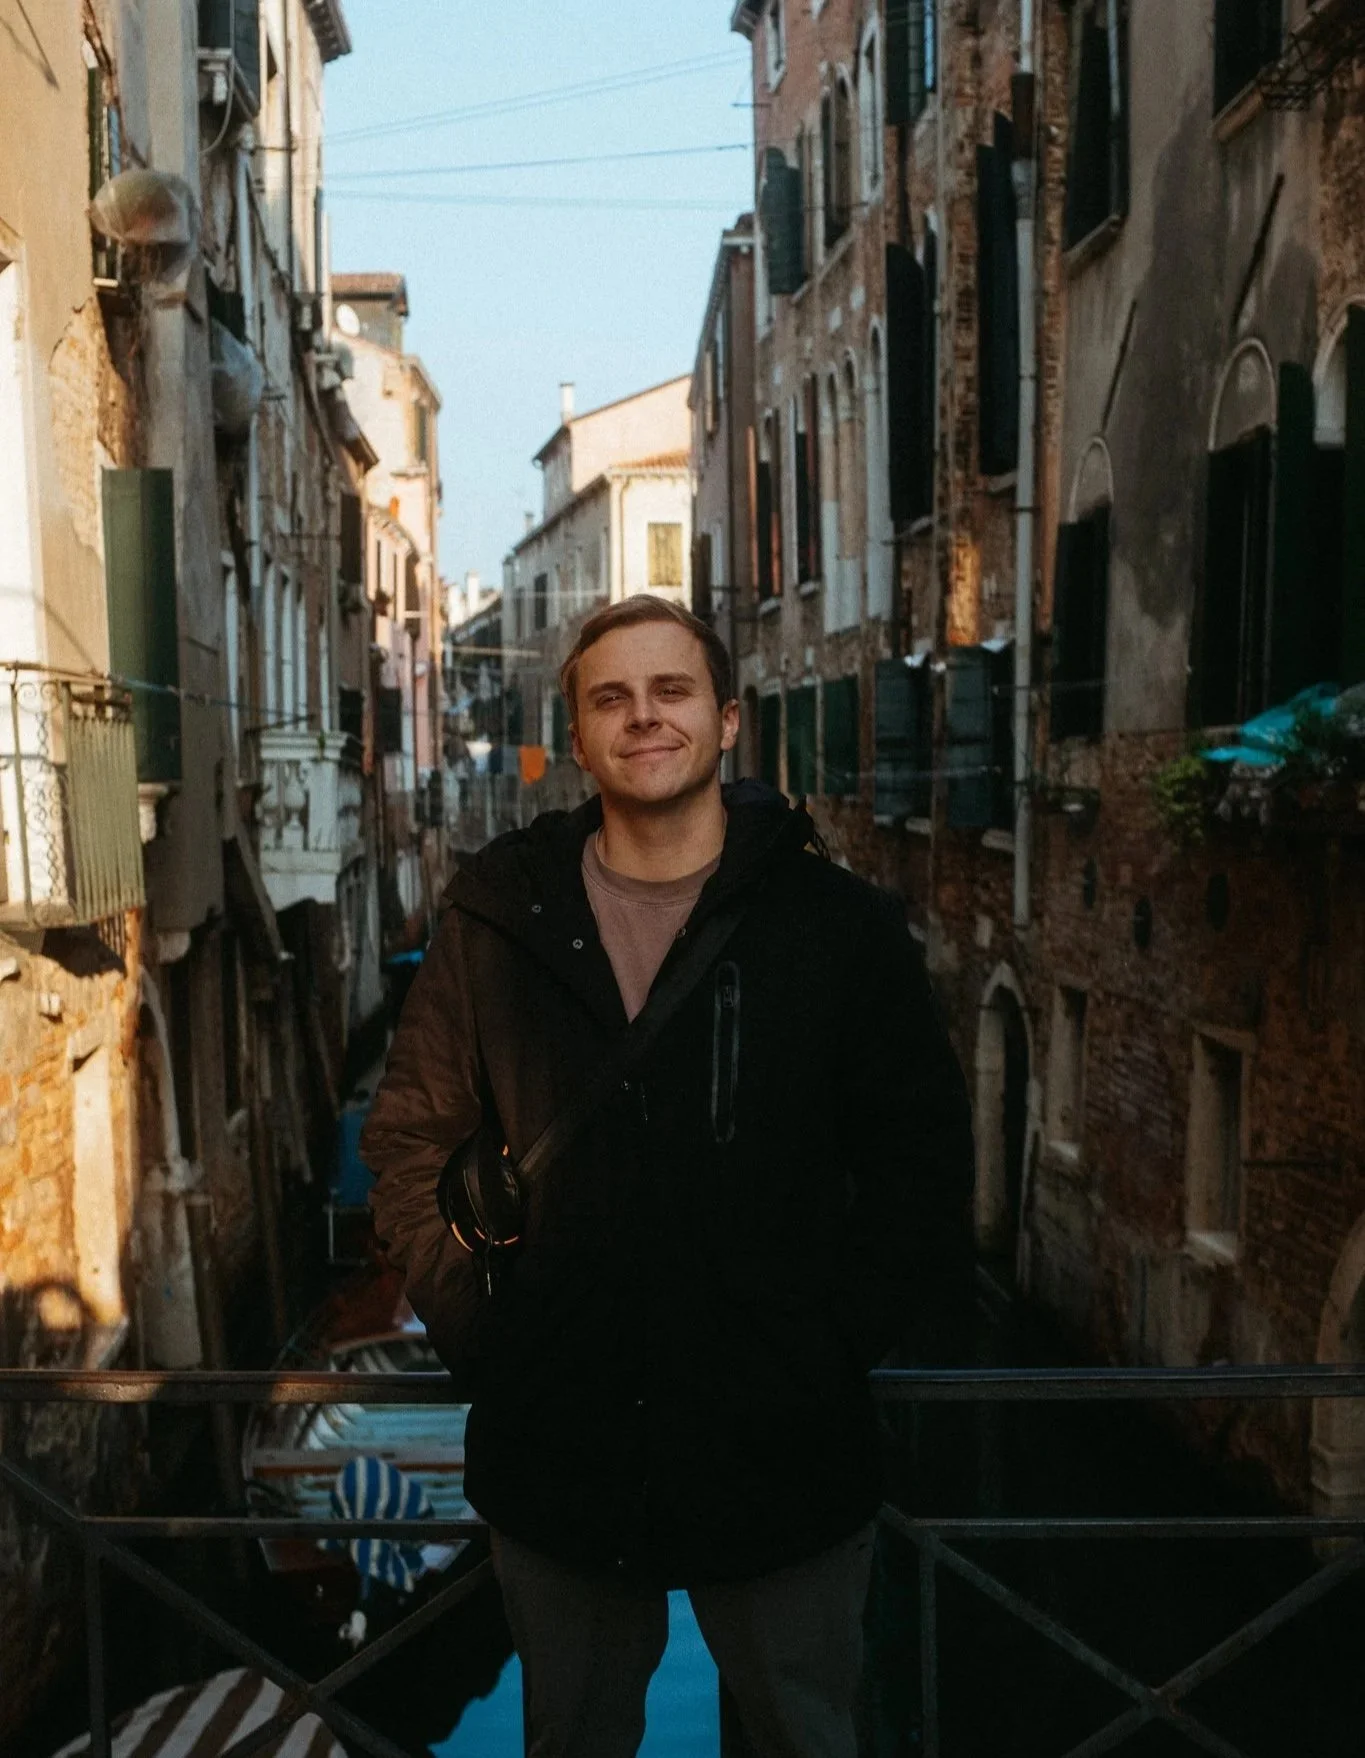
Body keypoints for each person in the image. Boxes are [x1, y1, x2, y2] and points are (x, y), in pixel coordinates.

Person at [361, 595, 975, 1758]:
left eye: (672, 691)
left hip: (782, 1446)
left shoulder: (839, 930)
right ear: (580, 738)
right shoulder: (496, 920)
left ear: (728, 721)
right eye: (611, 699)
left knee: (806, 1738)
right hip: (560, 1446)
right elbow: (408, 1141)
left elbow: (921, 1165)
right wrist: (488, 1329)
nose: (644, 717)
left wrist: (828, 1344)